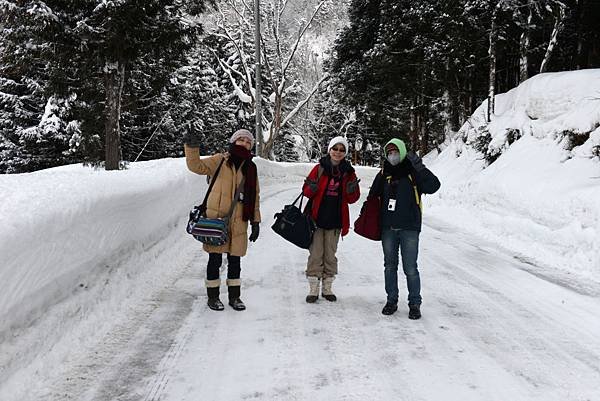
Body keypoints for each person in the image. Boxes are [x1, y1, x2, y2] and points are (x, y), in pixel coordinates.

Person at [183, 128, 261, 311]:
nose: (244, 143)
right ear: (233, 141)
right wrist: (192, 147)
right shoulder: (220, 160)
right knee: (215, 259)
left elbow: (255, 195)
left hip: (239, 219)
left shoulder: (251, 167)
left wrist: (255, 221)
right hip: (217, 220)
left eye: (248, 141)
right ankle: (213, 297)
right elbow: (196, 166)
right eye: (241, 140)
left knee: (235, 260)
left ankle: (235, 297)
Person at [368, 138, 440, 319]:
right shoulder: (384, 173)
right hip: (388, 229)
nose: (393, 156)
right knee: (390, 266)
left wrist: (420, 167)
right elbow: (372, 196)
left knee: (410, 268)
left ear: (402, 152)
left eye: (396, 152)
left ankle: (414, 303)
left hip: (409, 228)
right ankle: (391, 300)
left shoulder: (413, 172)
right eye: (389, 152)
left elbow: (434, 186)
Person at [302, 136, 361, 303]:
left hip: (336, 221)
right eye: (335, 148)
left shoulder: (349, 172)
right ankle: (313, 289)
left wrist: (351, 190)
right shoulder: (319, 168)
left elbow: (353, 199)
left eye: (342, 150)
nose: (338, 152)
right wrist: (311, 188)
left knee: (330, 255)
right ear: (329, 150)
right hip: (316, 219)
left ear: (345, 153)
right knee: (315, 254)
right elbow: (306, 191)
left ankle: (327, 288)